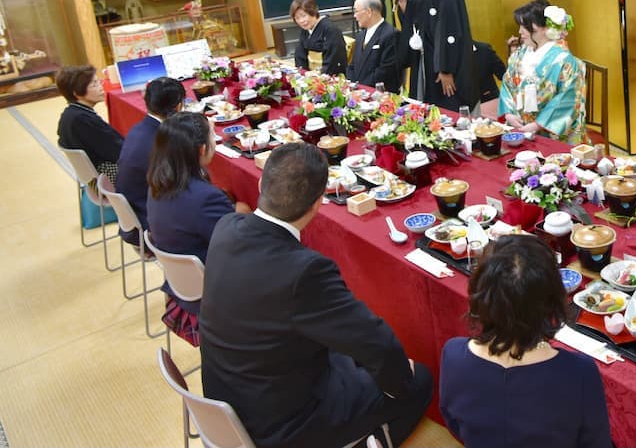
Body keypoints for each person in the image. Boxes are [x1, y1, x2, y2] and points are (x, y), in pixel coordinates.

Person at [199, 142, 433, 448]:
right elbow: (375, 340)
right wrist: (400, 382)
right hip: (282, 424)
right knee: (419, 380)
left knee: (349, 354)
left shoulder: (227, 226)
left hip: (226, 399)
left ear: (260, 183)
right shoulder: (305, 271)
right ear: (318, 203)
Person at [440, 235, 612, 448]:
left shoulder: (454, 354)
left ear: (480, 295)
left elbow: (455, 424)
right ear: (552, 300)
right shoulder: (579, 372)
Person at [147, 112, 247, 346]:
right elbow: (241, 244)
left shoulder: (158, 183)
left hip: (182, 289)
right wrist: (242, 213)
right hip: (218, 295)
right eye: (213, 137)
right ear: (202, 150)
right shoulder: (203, 198)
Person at [390, 0, 477, 111]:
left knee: (448, 107)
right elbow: (417, 21)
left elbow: (450, 29)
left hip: (445, 62)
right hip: (426, 58)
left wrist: (445, 69)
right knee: (427, 107)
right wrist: (404, 3)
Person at [498, 0, 586, 143]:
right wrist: (508, 114)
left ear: (545, 28)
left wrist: (538, 125)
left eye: (525, 26)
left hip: (549, 130)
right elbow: (508, 84)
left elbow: (567, 98)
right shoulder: (520, 54)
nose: (520, 31)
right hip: (519, 125)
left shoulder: (564, 60)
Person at [113, 76, 185, 246]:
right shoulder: (161, 142)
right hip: (149, 225)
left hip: (132, 215)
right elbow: (181, 191)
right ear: (179, 106)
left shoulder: (138, 129)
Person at [56, 65, 124, 182]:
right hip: (109, 177)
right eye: (94, 84)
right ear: (77, 93)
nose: (101, 87)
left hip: (93, 177)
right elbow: (119, 153)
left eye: (99, 82)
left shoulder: (70, 114)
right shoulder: (82, 120)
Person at [346, 0, 400, 92]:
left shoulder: (391, 34)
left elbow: (385, 71)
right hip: (358, 93)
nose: (355, 16)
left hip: (380, 95)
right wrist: (353, 85)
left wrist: (361, 88)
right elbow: (352, 66)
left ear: (369, 12)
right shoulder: (360, 36)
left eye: (356, 11)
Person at [291, 0, 347, 75]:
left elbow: (333, 61)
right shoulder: (305, 30)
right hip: (310, 76)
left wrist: (316, 75)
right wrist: (302, 73)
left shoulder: (330, 29)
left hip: (329, 75)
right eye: (297, 18)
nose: (301, 21)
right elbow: (300, 56)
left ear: (313, 12)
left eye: (303, 16)